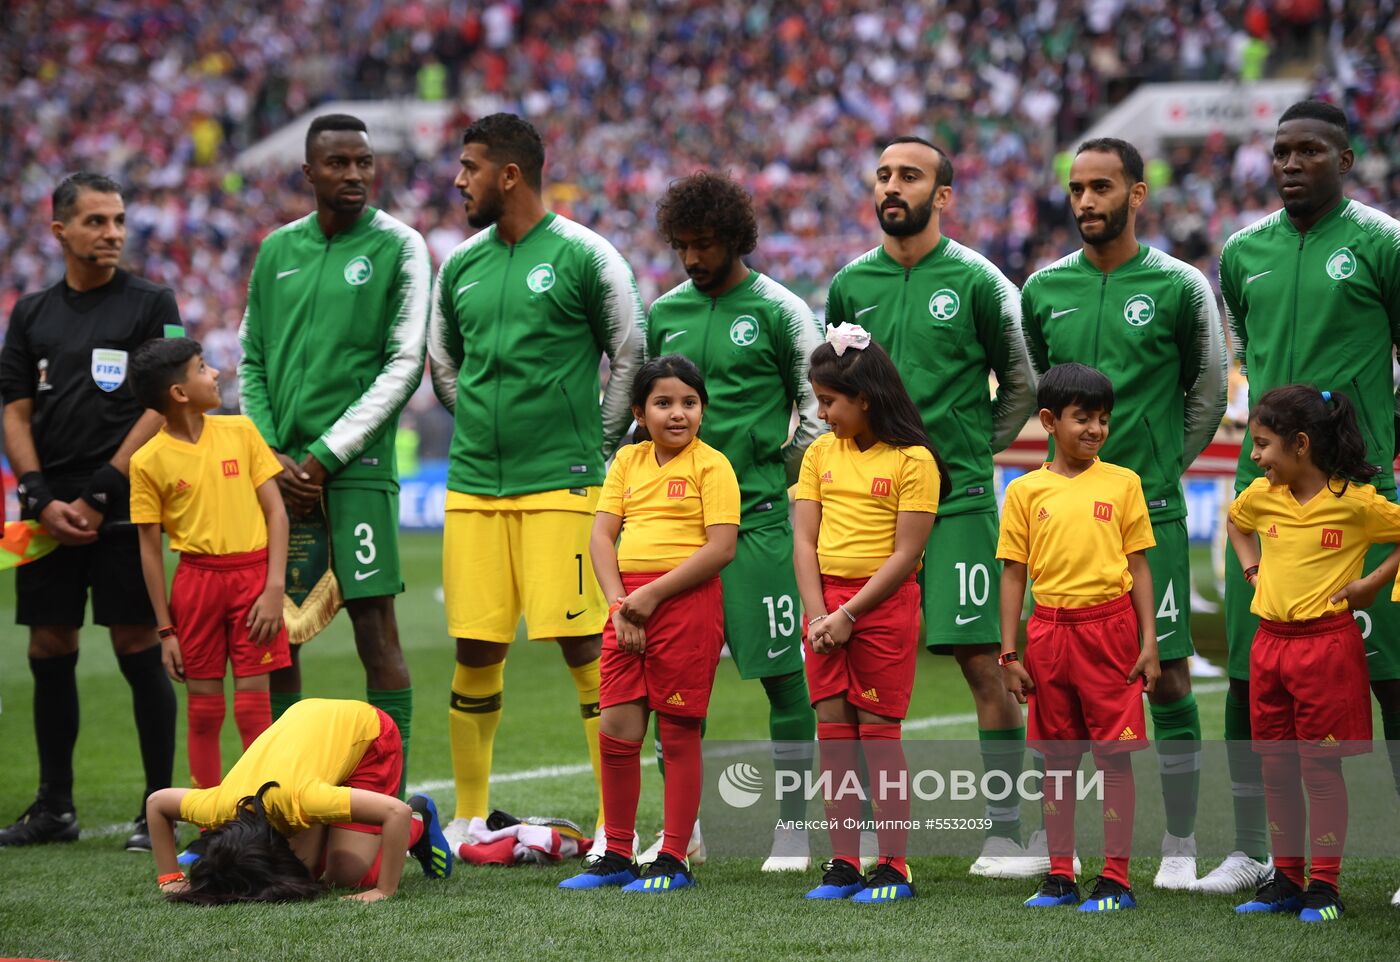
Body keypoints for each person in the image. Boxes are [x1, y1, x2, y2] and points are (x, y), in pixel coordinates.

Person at [426, 113, 646, 854]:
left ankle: (618, 824)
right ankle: (467, 817)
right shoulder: (459, 265)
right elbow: (443, 363)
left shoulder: (586, 255)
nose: (459, 181)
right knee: (475, 647)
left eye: (469, 167)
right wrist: (486, 424)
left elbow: (629, 349)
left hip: (563, 484)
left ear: (509, 174)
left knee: (588, 647)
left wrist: (599, 442)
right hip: (473, 486)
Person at [825, 136, 1039, 876]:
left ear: (942, 195)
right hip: (871, 508)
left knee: (984, 662)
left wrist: (976, 446)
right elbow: (836, 389)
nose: (892, 185)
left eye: (909, 176)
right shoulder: (851, 283)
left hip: (959, 503)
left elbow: (1021, 379)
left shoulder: (979, 281)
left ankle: (1009, 831)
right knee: (851, 674)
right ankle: (856, 846)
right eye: (883, 174)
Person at [1020, 137, 1228, 889]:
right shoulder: (1043, 290)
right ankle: (1065, 857)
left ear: (1136, 195)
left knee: (1168, 676)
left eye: (1102, 188)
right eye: (1077, 189)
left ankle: (1178, 841)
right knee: (1064, 690)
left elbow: (1206, 392)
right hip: (1066, 521)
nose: (1085, 203)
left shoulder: (1177, 284)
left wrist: (1161, 470)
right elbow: (1038, 386)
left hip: (1152, 514)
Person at [1213, 99, 1400, 898]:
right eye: (1281, 152)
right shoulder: (1241, 252)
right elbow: (1248, 358)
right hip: (1269, 504)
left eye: (1309, 152)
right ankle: (1255, 850)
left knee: (1390, 678)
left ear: (1346, 160)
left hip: (1358, 498)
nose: (1290, 164)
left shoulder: (1382, 243)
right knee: (1248, 681)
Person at [238, 114, 429, 794]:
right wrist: (269, 454)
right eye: (338, 163)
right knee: (276, 637)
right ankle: (271, 797)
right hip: (278, 474)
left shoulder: (401, 246)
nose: (353, 175)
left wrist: (322, 456)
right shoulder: (275, 250)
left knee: (377, 632)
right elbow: (252, 359)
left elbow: (404, 365)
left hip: (356, 472)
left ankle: (389, 800)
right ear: (309, 172)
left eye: (363, 163)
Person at [645, 171, 823, 870]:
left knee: (784, 675)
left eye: (706, 244)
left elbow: (815, 408)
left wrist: (773, 477)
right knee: (671, 686)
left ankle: (791, 827)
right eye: (683, 245)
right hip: (678, 531)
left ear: (737, 238)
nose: (693, 258)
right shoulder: (664, 311)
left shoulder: (779, 309)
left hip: (757, 523)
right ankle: (681, 832)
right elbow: (649, 410)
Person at [0, 172, 180, 851]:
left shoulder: (150, 301)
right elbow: (14, 408)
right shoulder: (31, 312)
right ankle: (54, 807)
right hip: (50, 509)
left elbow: (165, 401)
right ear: (60, 232)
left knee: (136, 643)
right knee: (49, 645)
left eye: (118, 220)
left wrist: (102, 486)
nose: (112, 233)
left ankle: (155, 807)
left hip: (126, 500)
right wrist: (41, 495)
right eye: (96, 221)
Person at [559, 356, 740, 893]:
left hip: (684, 605)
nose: (678, 414)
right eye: (663, 403)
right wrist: (620, 606)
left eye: (689, 402)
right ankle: (616, 851)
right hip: (627, 608)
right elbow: (600, 537)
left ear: (703, 409)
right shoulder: (628, 462)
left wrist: (649, 597)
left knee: (677, 733)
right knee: (617, 727)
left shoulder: (713, 466)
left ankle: (674, 857)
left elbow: (722, 547)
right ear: (640, 410)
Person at [1225, 386, 1400, 923]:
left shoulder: (1355, 503)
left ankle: (1324, 887)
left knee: (1320, 770)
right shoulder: (1261, 495)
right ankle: (1286, 879)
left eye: (1263, 444)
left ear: (1300, 445)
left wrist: (1371, 583)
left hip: (1327, 647)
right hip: (1269, 646)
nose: (1254, 456)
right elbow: (1236, 522)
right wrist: (1253, 571)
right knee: (1276, 768)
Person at [794, 324, 948, 904]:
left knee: (879, 733)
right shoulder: (817, 455)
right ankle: (842, 862)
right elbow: (804, 542)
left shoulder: (914, 460)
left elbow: (908, 553)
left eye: (828, 402)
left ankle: (893, 864)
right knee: (833, 735)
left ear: (864, 398)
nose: (822, 412)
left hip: (879, 609)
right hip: (824, 611)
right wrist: (818, 616)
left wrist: (848, 614)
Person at [999, 362, 1159, 913]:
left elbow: (1139, 567)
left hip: (1110, 633)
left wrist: (1149, 641)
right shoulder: (1024, 491)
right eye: (1082, 418)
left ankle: (1117, 878)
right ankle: (1061, 875)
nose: (1095, 429)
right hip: (1048, 635)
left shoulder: (1123, 483)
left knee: (1114, 759)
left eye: (1103, 420)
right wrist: (1009, 652)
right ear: (1048, 420)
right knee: (1058, 759)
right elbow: (1014, 573)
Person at [128, 337, 291, 789]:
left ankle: (261, 810)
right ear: (178, 393)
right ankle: (210, 822)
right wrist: (166, 632)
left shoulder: (240, 432)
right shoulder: (147, 461)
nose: (216, 373)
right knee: (203, 710)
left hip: (254, 579)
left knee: (254, 706)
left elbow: (276, 512)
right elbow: (148, 548)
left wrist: (274, 587)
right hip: (197, 582)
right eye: (202, 368)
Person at [145, 698, 452, 904]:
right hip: (308, 728)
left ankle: (421, 821)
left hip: (369, 736)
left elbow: (395, 811)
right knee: (307, 871)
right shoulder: (217, 807)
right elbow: (157, 803)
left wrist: (385, 890)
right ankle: (342, 823)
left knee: (345, 874)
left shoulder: (301, 800)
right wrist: (170, 878)